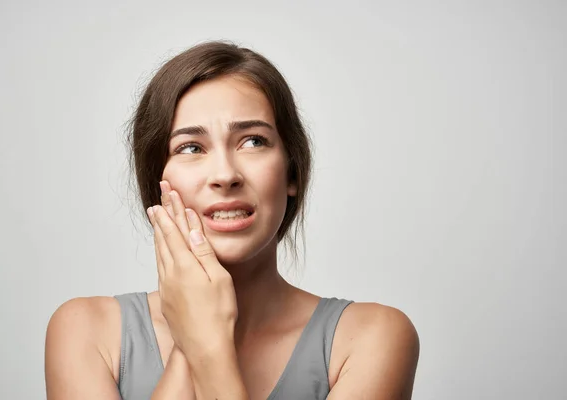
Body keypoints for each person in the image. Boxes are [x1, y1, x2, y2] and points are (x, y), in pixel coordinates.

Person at [44, 40, 420, 400]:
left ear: (292, 172)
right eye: (191, 147)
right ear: (157, 182)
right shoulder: (85, 331)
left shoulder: (372, 337)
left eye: (253, 141)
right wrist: (198, 333)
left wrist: (205, 343)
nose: (225, 174)